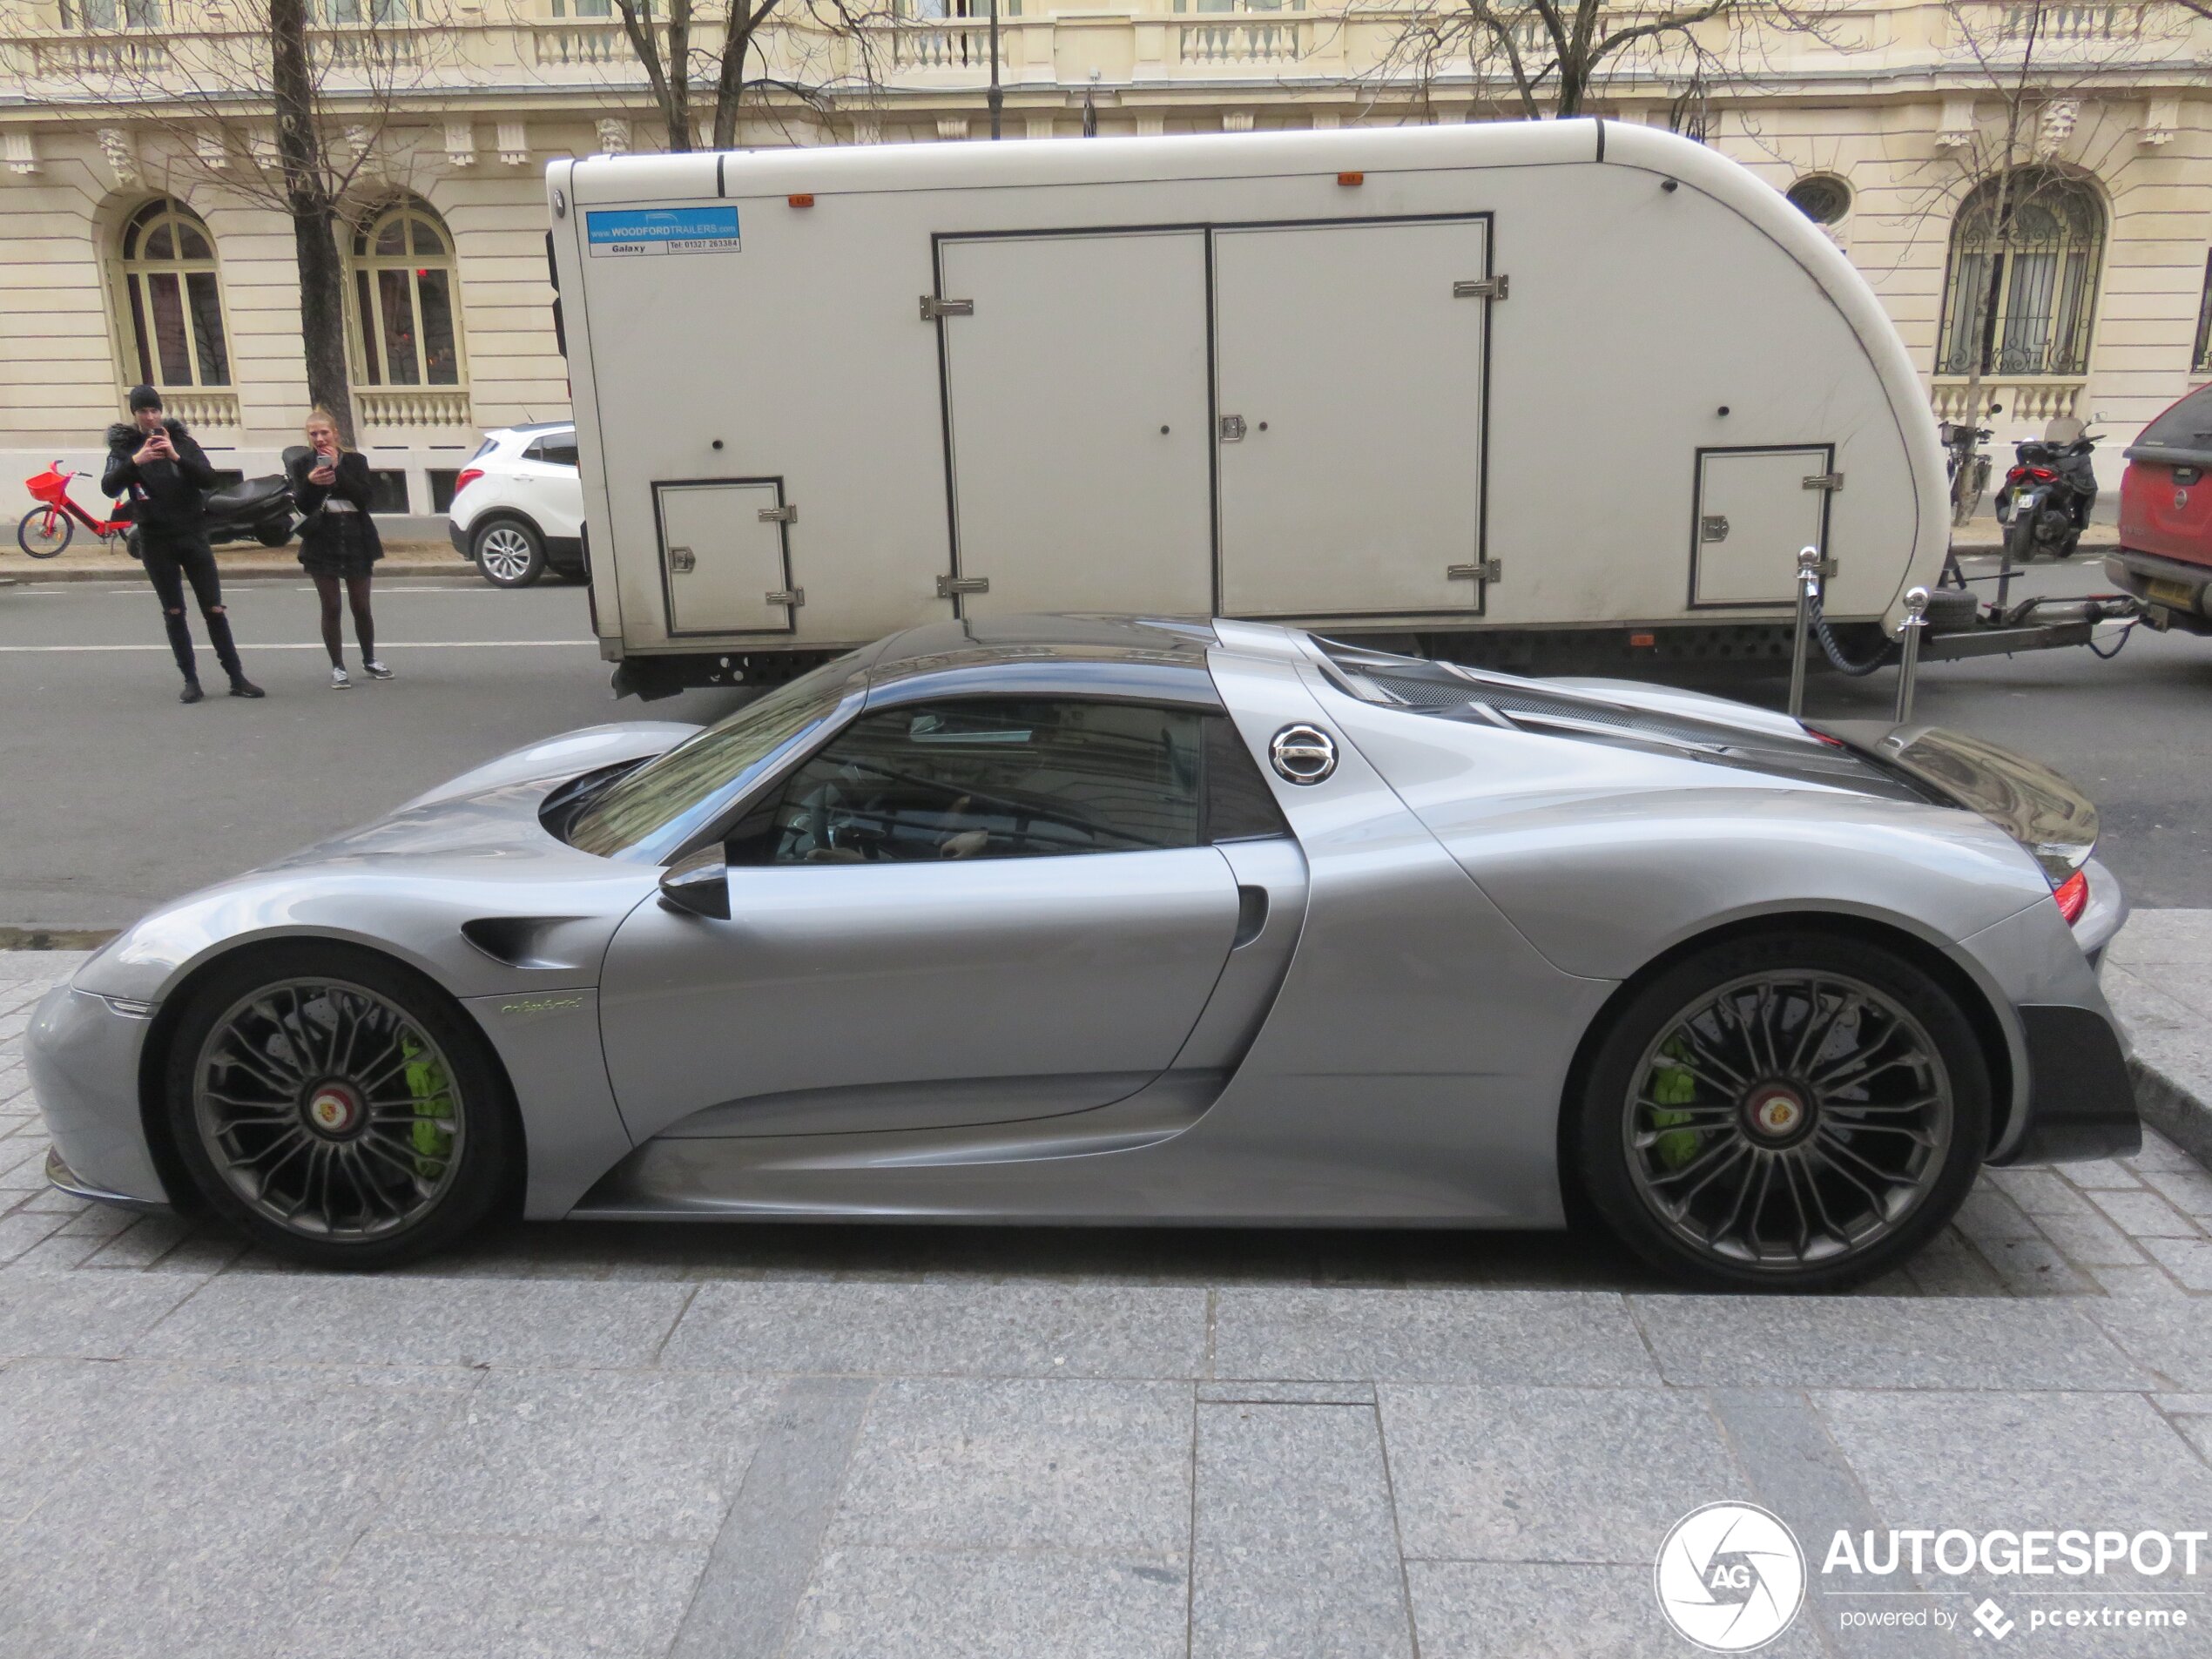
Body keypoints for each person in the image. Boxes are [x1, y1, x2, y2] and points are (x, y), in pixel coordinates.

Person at [102, 386, 264, 703]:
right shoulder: (125, 448)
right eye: (143, 412)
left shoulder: (182, 442)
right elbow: (109, 487)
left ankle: (236, 677)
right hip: (155, 538)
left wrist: (175, 455)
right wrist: (136, 460)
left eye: (154, 411)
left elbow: (209, 479)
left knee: (214, 609)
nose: (150, 417)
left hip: (192, 534)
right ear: (134, 414)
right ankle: (191, 680)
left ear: (161, 412)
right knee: (174, 611)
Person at [288, 408, 391, 689]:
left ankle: (369, 659)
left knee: (361, 605)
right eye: (314, 434)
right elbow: (302, 505)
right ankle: (338, 666)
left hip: (356, 536)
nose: (320, 438)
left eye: (324, 432)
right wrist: (311, 482)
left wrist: (338, 472)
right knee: (331, 606)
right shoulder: (302, 465)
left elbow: (365, 499)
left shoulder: (355, 461)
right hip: (322, 539)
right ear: (308, 437)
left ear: (336, 433)